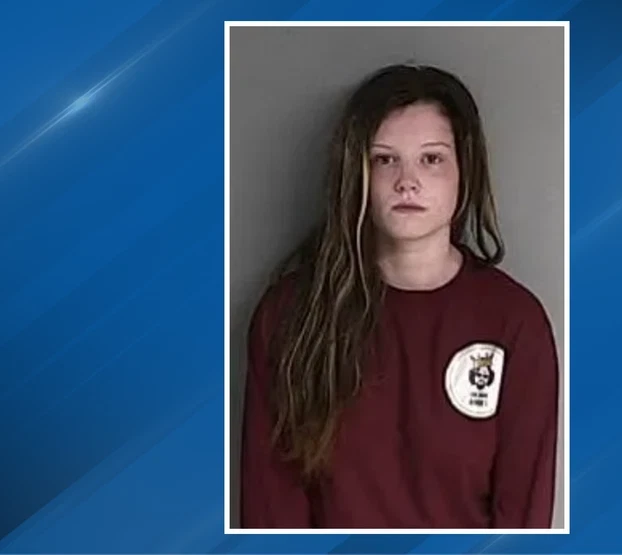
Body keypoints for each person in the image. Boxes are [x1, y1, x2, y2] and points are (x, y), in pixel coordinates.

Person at [239, 63, 560, 529]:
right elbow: (269, 512)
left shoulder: (515, 323)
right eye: (384, 159)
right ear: (356, 174)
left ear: (464, 171)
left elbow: (524, 520)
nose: (407, 181)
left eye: (431, 159)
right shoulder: (288, 315)